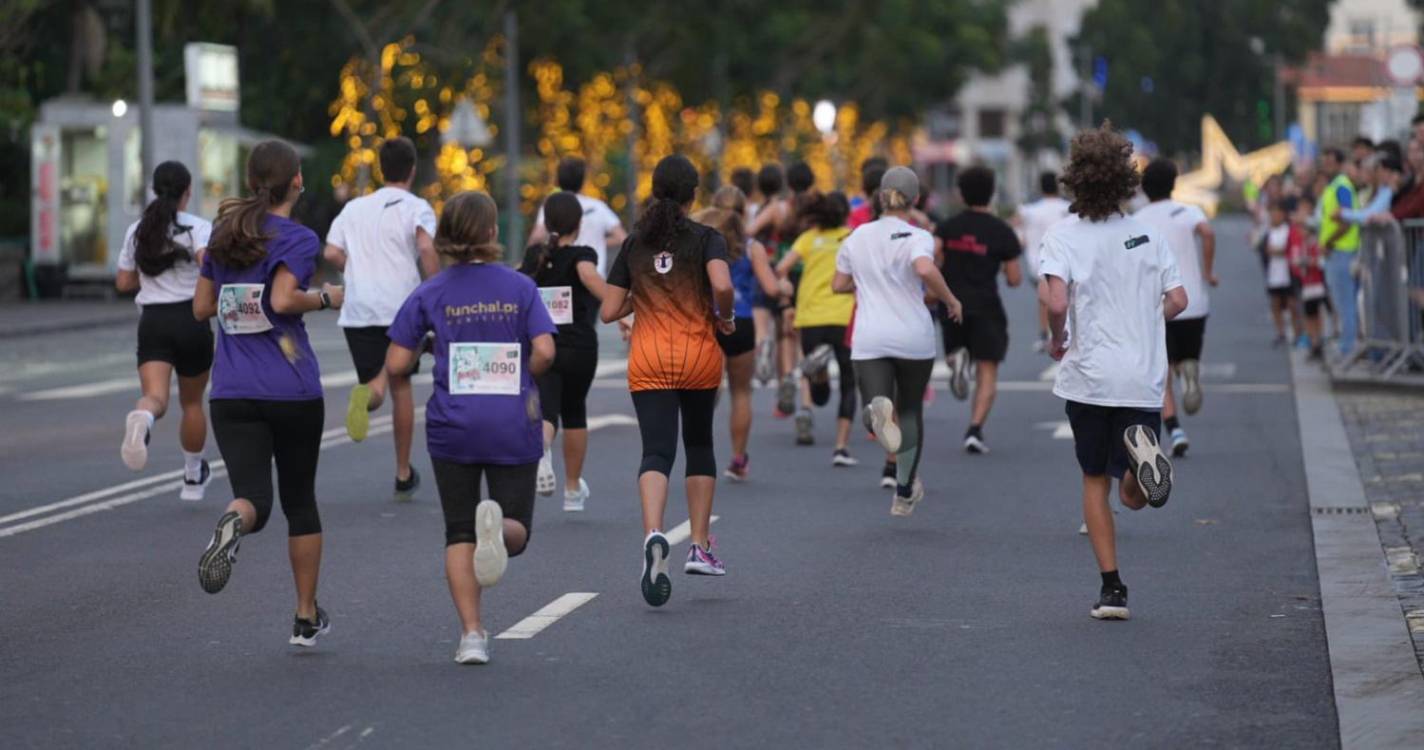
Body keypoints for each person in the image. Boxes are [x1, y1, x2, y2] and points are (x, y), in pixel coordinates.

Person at [386, 190, 556, 665]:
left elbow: (396, 361)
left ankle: (472, 635)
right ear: (492, 233)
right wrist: (519, 373)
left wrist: (427, 345)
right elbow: (545, 351)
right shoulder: (520, 287)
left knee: (458, 531)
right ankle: (498, 529)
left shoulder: (431, 291)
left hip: (452, 425)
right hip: (510, 422)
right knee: (516, 528)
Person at [192, 139, 345, 647]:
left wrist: (238, 299)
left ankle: (235, 520)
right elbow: (283, 297)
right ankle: (305, 617)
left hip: (231, 391)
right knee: (300, 501)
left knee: (254, 496)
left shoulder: (225, 233)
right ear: (296, 180)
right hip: (290, 388)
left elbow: (200, 308)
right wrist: (325, 297)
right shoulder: (299, 239)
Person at [1038, 124, 1187, 621]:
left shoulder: (1062, 236)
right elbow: (1179, 300)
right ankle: (1140, 479)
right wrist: (1148, 317)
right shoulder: (1148, 234)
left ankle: (1112, 590)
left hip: (1090, 375)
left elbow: (1056, 299)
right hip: (1143, 375)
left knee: (1093, 478)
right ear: (1126, 180)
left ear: (1075, 180)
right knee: (1133, 492)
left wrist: (1056, 334)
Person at [602, 155, 735, 607]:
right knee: (699, 446)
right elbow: (721, 286)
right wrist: (726, 315)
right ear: (693, 195)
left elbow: (607, 309)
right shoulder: (707, 239)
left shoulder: (635, 244)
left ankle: (654, 533)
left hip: (650, 358)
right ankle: (699, 545)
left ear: (656, 191)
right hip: (698, 357)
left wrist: (640, 296)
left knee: (656, 451)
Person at [833, 167, 964, 516]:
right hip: (912, 337)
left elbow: (838, 284)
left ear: (879, 197)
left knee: (878, 401)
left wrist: (864, 281)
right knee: (909, 411)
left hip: (869, 337)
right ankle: (904, 490)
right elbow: (923, 269)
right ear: (916, 199)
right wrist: (950, 299)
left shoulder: (857, 236)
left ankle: (877, 411)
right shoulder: (916, 236)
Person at [323, 136, 437, 501]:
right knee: (400, 386)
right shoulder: (416, 206)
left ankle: (367, 395)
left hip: (358, 310)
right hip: (402, 307)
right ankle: (403, 473)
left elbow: (331, 251)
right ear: (413, 170)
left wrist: (355, 269)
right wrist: (436, 287)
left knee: (376, 385)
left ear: (380, 169)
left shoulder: (354, 208)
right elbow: (424, 246)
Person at [115, 161, 216, 502]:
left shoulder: (138, 231)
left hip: (154, 323)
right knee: (191, 403)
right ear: (188, 192)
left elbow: (123, 281)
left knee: (156, 398)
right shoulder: (199, 228)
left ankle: (143, 416)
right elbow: (210, 265)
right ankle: (191, 475)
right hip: (192, 319)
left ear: (154, 190)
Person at [519, 191, 605, 511]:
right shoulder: (582, 254)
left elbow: (518, 285)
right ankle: (572, 491)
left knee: (548, 410)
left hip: (544, 345)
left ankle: (542, 449)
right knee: (575, 411)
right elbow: (588, 276)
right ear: (579, 224)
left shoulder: (533, 257)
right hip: (581, 347)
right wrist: (622, 306)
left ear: (546, 222)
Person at [934, 166, 1023, 454]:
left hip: (952, 304)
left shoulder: (947, 228)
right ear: (992, 192)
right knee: (987, 370)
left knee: (954, 350)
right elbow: (1014, 279)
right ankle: (974, 429)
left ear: (961, 194)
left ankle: (956, 360)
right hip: (986, 306)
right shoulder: (1001, 231)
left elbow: (934, 261)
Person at [1133, 159, 1217, 458]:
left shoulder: (1138, 219)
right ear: (1174, 184)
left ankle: (1175, 428)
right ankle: (1189, 369)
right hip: (1193, 301)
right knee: (1184, 358)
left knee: (1162, 370)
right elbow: (1207, 233)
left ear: (1143, 187)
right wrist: (1207, 271)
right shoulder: (1188, 211)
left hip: (1160, 304)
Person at [699, 187, 781, 481]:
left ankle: (699, 451)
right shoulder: (752, 246)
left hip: (707, 319)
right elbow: (771, 288)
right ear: (745, 212)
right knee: (742, 392)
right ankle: (737, 458)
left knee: (704, 391)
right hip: (742, 320)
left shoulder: (703, 240)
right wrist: (784, 289)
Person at [778, 191, 856, 460]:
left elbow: (781, 268)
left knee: (819, 393)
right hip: (844, 316)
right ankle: (841, 447)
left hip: (810, 316)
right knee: (848, 380)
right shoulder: (852, 237)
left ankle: (819, 370)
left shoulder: (809, 239)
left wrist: (786, 296)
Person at [528, 156, 627, 276]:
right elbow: (622, 238)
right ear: (583, 181)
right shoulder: (598, 207)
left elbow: (537, 237)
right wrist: (599, 241)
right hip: (594, 277)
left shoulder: (552, 205)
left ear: (558, 180)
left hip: (561, 278)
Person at [1014, 171, 1072, 350]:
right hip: (1065, 260)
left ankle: (1045, 333)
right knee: (1064, 297)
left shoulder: (1028, 211)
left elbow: (1019, 236)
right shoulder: (1068, 208)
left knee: (1044, 298)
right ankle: (1064, 332)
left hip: (1037, 262)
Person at [1318, 147, 1361, 355]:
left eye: (1330, 161)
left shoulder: (1341, 186)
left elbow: (1347, 219)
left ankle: (1347, 349)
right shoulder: (1334, 186)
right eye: (1324, 161)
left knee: (1345, 303)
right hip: (1336, 251)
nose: (1326, 165)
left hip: (1341, 250)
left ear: (1339, 164)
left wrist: (1329, 242)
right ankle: (1346, 345)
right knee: (1341, 302)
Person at [750, 164, 790, 386]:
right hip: (782, 268)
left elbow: (751, 230)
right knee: (784, 331)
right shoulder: (785, 207)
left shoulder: (770, 208)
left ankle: (763, 345)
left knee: (762, 321)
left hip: (763, 265)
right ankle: (785, 379)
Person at [1288, 195, 1327, 360]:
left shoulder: (1314, 245)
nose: (1301, 231)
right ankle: (1313, 341)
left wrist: (1307, 262)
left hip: (1316, 284)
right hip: (1306, 284)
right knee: (1308, 315)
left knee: (1316, 314)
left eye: (1304, 229)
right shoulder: (1303, 245)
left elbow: (1319, 262)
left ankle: (1318, 341)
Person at [1261, 199, 1302, 348]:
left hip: (1288, 272)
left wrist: (1278, 251)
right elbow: (1266, 250)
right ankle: (1280, 333)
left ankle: (1297, 333)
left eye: (1277, 213)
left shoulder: (1289, 230)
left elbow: (1288, 248)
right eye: (1272, 213)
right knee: (1275, 303)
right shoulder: (1269, 231)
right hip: (1274, 273)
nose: (1275, 216)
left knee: (1292, 304)